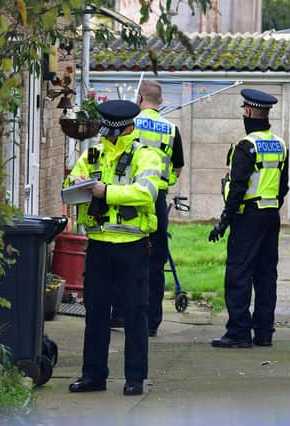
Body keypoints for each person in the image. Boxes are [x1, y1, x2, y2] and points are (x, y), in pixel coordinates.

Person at [64, 100, 164, 396]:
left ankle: (135, 378)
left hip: (132, 244)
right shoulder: (93, 153)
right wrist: (78, 182)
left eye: (112, 133)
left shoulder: (146, 156)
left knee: (135, 312)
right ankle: (93, 375)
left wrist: (105, 192)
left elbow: (146, 192)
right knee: (95, 312)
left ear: (125, 129)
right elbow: (71, 182)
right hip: (98, 245)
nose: (106, 137)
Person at [209, 88, 289, 348]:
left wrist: (225, 220)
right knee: (266, 275)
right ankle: (264, 332)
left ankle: (238, 332)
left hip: (247, 218)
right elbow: (283, 185)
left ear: (250, 112)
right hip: (270, 217)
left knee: (239, 273)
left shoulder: (246, 146)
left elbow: (237, 187)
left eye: (245, 110)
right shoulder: (280, 144)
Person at [110, 80, 185, 337]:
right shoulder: (171, 129)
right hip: (157, 199)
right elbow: (176, 168)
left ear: (140, 99)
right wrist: (163, 184)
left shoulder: (130, 123)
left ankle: (120, 315)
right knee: (156, 260)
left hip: (128, 196)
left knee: (123, 253)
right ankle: (152, 322)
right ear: (160, 101)